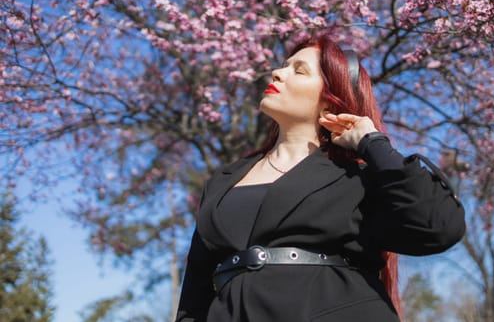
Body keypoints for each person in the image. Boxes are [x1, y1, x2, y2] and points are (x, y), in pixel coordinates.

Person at [175, 34, 465, 322]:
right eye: (284, 65)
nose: (278, 72)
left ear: (328, 104)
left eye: (298, 70)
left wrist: (373, 143)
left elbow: (439, 226)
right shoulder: (224, 181)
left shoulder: (356, 178)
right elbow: (195, 293)